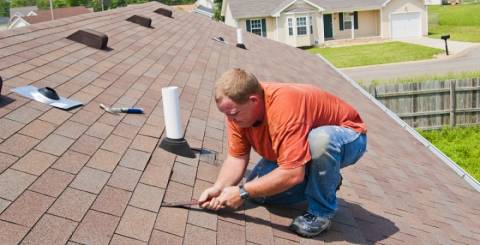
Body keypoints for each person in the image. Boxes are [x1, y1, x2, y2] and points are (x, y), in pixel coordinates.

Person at [198, 68, 367, 238]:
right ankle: (325, 179)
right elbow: (237, 156)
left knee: (320, 139)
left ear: (254, 100)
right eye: (225, 114)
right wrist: (219, 188)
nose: (230, 119)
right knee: (260, 195)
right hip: (303, 147)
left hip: (349, 137)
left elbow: (292, 174)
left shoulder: (283, 107)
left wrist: (241, 192)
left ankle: (321, 212)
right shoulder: (237, 112)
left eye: (233, 113)